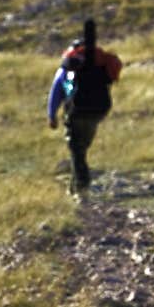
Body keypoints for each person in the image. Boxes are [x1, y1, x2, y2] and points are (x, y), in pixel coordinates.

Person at [47, 21, 121, 192]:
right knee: (82, 147)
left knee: (75, 148)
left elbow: (58, 91)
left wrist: (52, 115)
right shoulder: (101, 65)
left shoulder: (69, 68)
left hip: (77, 111)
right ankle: (76, 184)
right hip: (98, 111)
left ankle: (81, 186)